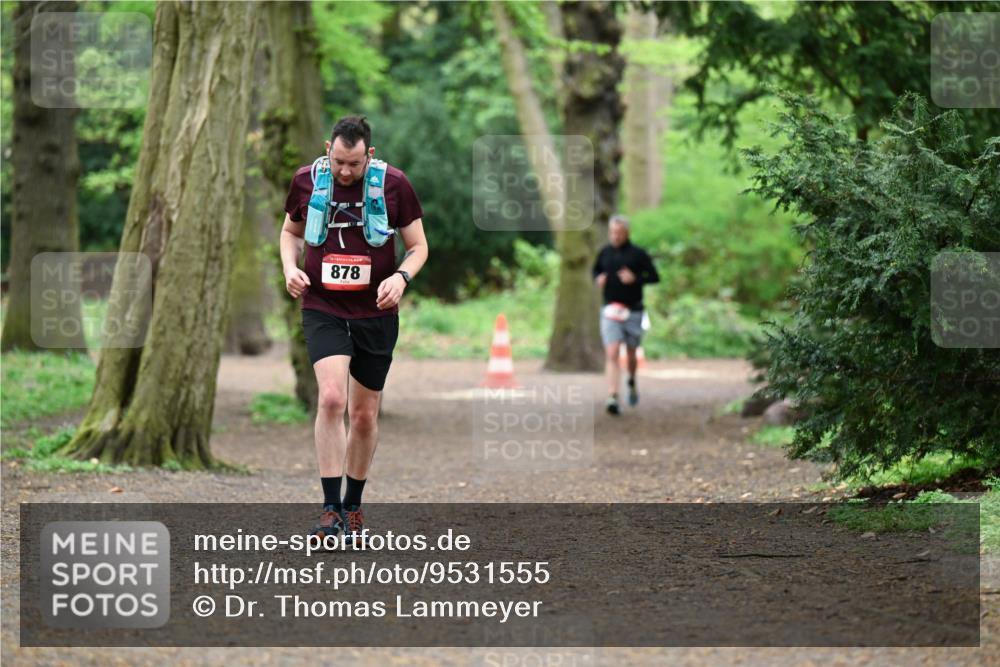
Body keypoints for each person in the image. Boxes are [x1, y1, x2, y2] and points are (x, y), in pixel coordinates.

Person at [279, 115, 428, 542]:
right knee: (331, 399)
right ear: (328, 149)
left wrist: (401, 278)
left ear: (370, 155)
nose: (345, 171)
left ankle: (353, 507)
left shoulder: (394, 184)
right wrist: (290, 268)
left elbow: (419, 246)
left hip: (376, 311)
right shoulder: (307, 180)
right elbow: (290, 233)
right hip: (323, 306)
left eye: (354, 164)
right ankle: (330, 511)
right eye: (339, 162)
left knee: (363, 415)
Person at [592, 214, 659, 415]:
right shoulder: (604, 253)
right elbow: (595, 271)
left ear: (626, 233)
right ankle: (612, 395)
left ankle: (631, 380)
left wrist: (635, 279)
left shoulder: (638, 254)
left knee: (631, 353)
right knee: (612, 352)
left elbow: (654, 277)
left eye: (619, 233)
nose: (616, 236)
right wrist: (598, 279)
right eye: (613, 232)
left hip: (633, 311)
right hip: (610, 310)